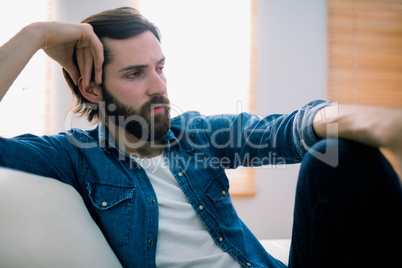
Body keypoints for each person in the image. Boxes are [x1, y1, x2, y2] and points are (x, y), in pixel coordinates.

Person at [0, 6, 401, 268]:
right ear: (91, 89)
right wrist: (36, 34)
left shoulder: (196, 134)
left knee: (336, 153)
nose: (159, 86)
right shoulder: (74, 156)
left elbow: (290, 127)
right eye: (135, 74)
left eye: (160, 67)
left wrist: (384, 125)